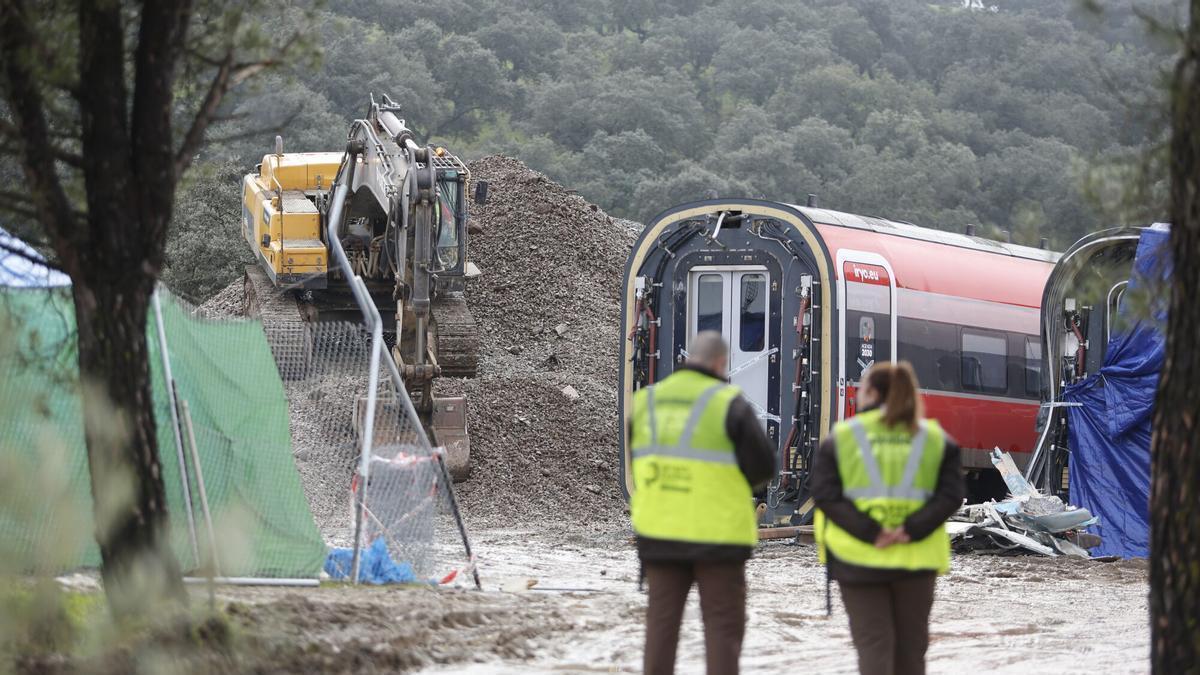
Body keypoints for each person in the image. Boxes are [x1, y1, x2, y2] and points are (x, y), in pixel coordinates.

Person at [628, 331, 776, 675]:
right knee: (722, 630)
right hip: (718, 539)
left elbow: (639, 458)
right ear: (721, 363)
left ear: (687, 358)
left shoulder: (648, 403)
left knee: (661, 629)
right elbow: (763, 467)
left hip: (660, 534)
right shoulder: (730, 404)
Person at [811, 362, 964, 675]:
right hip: (916, 561)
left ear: (872, 392)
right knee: (911, 654)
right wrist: (910, 530)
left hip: (859, 559)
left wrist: (872, 533)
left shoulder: (841, 438)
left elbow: (826, 496)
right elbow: (951, 496)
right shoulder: (936, 439)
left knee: (873, 648)